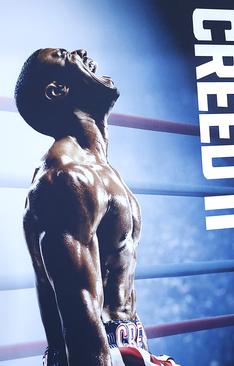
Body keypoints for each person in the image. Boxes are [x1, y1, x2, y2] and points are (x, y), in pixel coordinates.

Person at [16, 48, 177, 366]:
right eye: (64, 56)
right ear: (57, 90)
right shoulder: (67, 175)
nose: (81, 53)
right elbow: (81, 326)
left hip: (123, 349)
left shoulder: (98, 169)